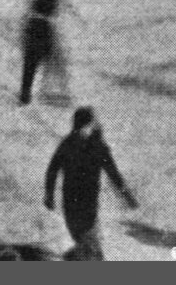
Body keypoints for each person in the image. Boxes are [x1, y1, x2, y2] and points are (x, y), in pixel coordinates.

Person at [43, 107, 138, 260]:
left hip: (72, 205)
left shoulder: (68, 144)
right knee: (90, 248)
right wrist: (127, 196)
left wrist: (49, 196)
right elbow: (113, 174)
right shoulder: (96, 146)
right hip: (86, 207)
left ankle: (75, 258)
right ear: (90, 124)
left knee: (85, 245)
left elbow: (52, 170)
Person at [20, 0, 71, 104]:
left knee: (33, 63)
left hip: (37, 25)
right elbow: (50, 7)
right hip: (41, 26)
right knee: (46, 59)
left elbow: (33, 3)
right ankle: (47, 92)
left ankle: (29, 95)